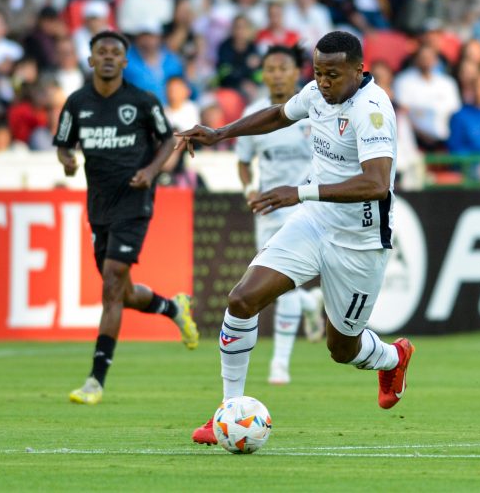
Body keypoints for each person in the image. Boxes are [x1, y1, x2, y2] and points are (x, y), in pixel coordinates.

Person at [179, 31, 414, 446]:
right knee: (241, 299)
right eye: (318, 72)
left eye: (333, 74)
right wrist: (220, 133)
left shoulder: (373, 111)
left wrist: (298, 192)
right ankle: (227, 412)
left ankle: (393, 357)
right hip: (314, 222)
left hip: (359, 242)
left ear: (359, 70)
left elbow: (377, 183)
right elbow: (278, 115)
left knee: (341, 348)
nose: (323, 82)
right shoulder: (317, 93)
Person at [53, 30, 199, 406]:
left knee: (112, 283)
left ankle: (95, 380)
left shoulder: (142, 101)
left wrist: (151, 173)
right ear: (90, 60)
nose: (106, 57)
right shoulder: (76, 103)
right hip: (99, 206)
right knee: (121, 291)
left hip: (135, 202)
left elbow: (169, 139)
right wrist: (67, 161)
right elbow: (64, 147)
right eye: (100, 51)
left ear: (123, 61)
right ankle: (172, 307)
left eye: (114, 53)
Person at [234, 46, 326, 385]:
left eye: (282, 68)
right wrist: (249, 191)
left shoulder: (314, 107)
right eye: (270, 68)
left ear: (295, 72)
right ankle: (310, 303)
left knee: (284, 287)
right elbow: (243, 162)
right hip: (270, 208)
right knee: (273, 288)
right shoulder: (255, 113)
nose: (275, 74)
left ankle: (280, 365)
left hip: (306, 206)